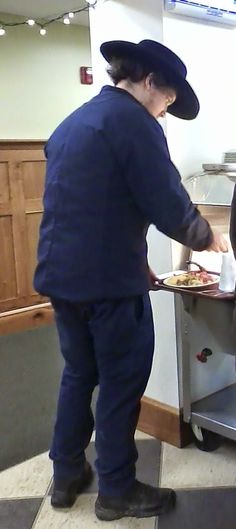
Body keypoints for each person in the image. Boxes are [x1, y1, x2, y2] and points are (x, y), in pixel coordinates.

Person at [34, 39, 228, 521]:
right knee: (122, 383)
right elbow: (164, 199)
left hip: (63, 277)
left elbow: (93, 204)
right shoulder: (134, 123)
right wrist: (210, 239)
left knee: (79, 373)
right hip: (108, 287)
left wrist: (136, 259)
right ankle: (117, 489)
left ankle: (66, 474)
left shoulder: (76, 121)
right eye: (166, 102)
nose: (164, 113)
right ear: (148, 84)